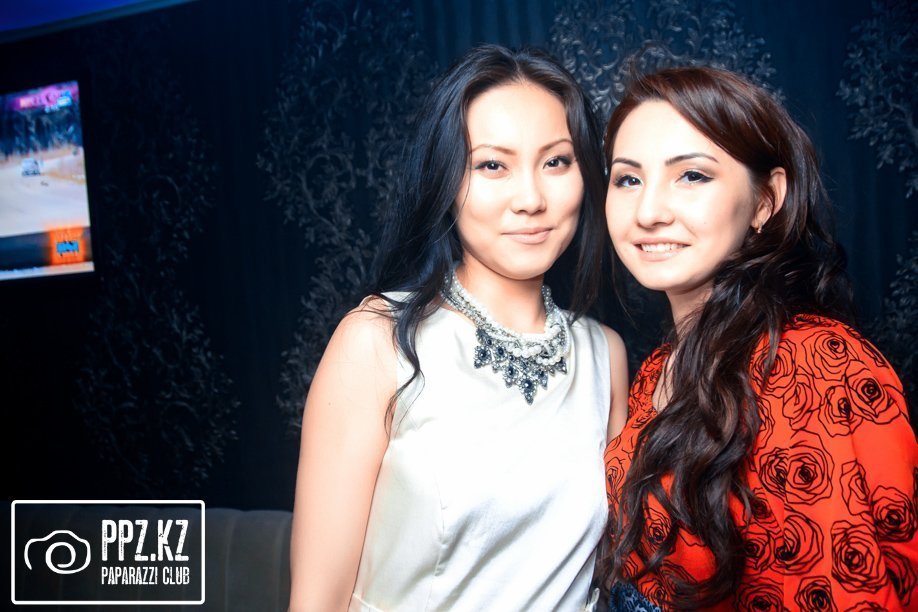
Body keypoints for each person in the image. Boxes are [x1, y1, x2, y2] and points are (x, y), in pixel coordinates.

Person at [289, 44, 629, 611]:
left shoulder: (603, 354)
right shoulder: (376, 340)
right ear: (447, 181)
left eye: (556, 162)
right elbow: (315, 603)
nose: (531, 199)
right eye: (492, 165)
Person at [601, 66, 918, 611]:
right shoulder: (656, 367)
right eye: (628, 179)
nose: (648, 212)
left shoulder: (815, 365)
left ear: (766, 201)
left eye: (691, 176)